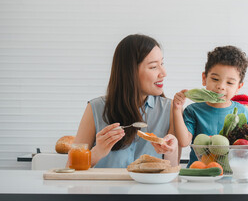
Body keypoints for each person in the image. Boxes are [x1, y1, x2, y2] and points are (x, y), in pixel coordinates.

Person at [73, 34, 179, 168]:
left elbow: (173, 174)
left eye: (162, 64)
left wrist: (172, 150)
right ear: (130, 71)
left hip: (150, 189)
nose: (163, 73)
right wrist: (97, 152)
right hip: (103, 189)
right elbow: (70, 170)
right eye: (153, 67)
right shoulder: (96, 108)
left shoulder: (170, 109)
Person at [173, 45, 248, 167]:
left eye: (230, 82)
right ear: (204, 78)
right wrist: (177, 109)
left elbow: (245, 149)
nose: (221, 86)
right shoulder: (193, 110)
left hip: (229, 173)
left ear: (238, 87)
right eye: (215, 79)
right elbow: (183, 142)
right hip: (199, 172)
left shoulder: (241, 112)